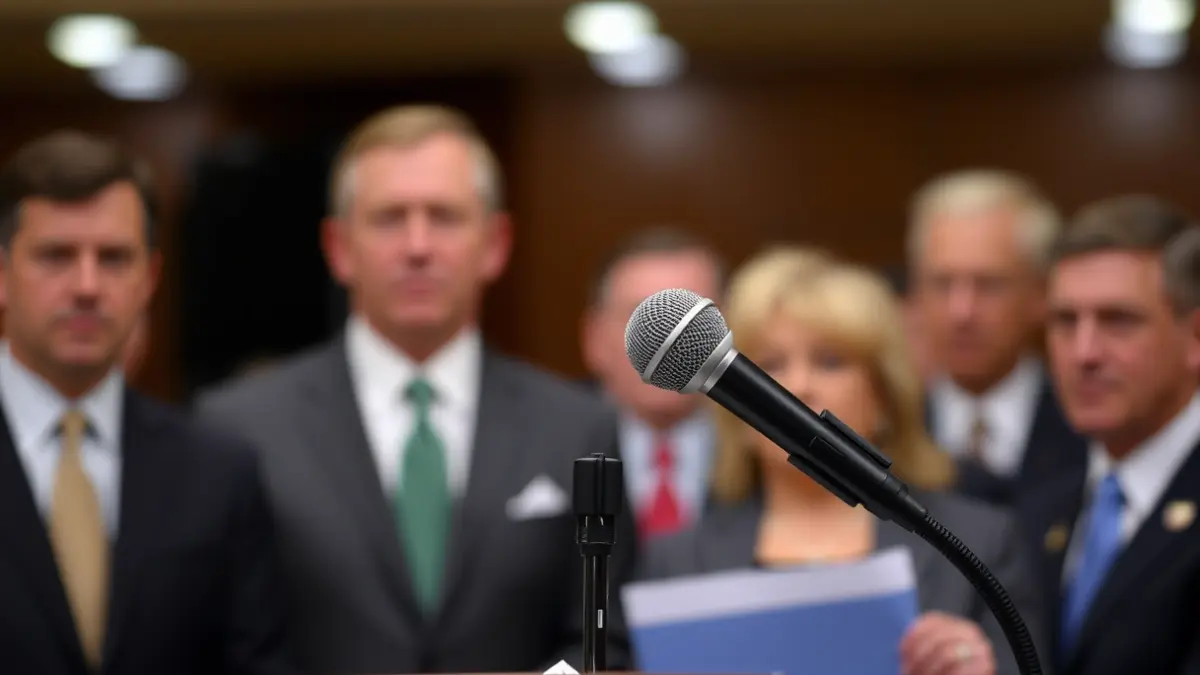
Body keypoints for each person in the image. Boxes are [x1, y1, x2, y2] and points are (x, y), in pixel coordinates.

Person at [195, 104, 636, 675]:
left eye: (445, 216)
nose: (418, 245)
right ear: (338, 248)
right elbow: (221, 642)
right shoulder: (240, 429)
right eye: (389, 218)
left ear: (496, 243)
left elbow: (602, 640)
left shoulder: (577, 428)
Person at [639, 248, 1044, 675]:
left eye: (830, 362)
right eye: (771, 364)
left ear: (883, 395)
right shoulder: (675, 561)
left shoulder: (980, 541)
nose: (799, 385)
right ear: (732, 408)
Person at [0, 131, 291, 675]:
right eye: (56, 256)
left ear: (149, 278)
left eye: (113, 258)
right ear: (1, 273)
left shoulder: (218, 474)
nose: (86, 286)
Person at [1023, 195, 1200, 675]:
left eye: (1118, 320)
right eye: (1064, 322)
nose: (1083, 353)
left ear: (1195, 339)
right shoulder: (1042, 504)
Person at [908, 169, 1087, 507]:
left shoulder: (1089, 427)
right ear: (917, 294)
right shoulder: (889, 433)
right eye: (942, 283)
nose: (961, 312)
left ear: (1040, 292)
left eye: (989, 284)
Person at [581, 227, 724, 539]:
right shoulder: (550, 449)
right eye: (641, 318)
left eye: (689, 318)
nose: (665, 341)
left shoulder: (766, 452)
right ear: (595, 339)